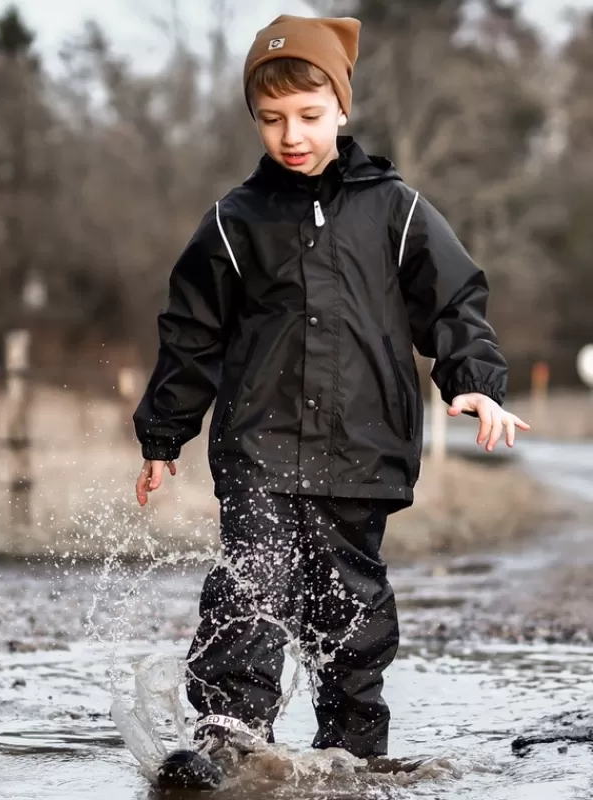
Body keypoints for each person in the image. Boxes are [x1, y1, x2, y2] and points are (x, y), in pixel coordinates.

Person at [133, 12, 530, 786]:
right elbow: (189, 336)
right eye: (273, 119)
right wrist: (161, 435)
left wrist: (476, 386)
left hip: (363, 451)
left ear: (341, 109)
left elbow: (454, 305)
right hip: (259, 450)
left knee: (351, 617)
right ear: (255, 119)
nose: (292, 134)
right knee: (250, 592)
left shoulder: (396, 210)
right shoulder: (232, 222)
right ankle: (230, 748)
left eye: (309, 116)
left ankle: (355, 760)